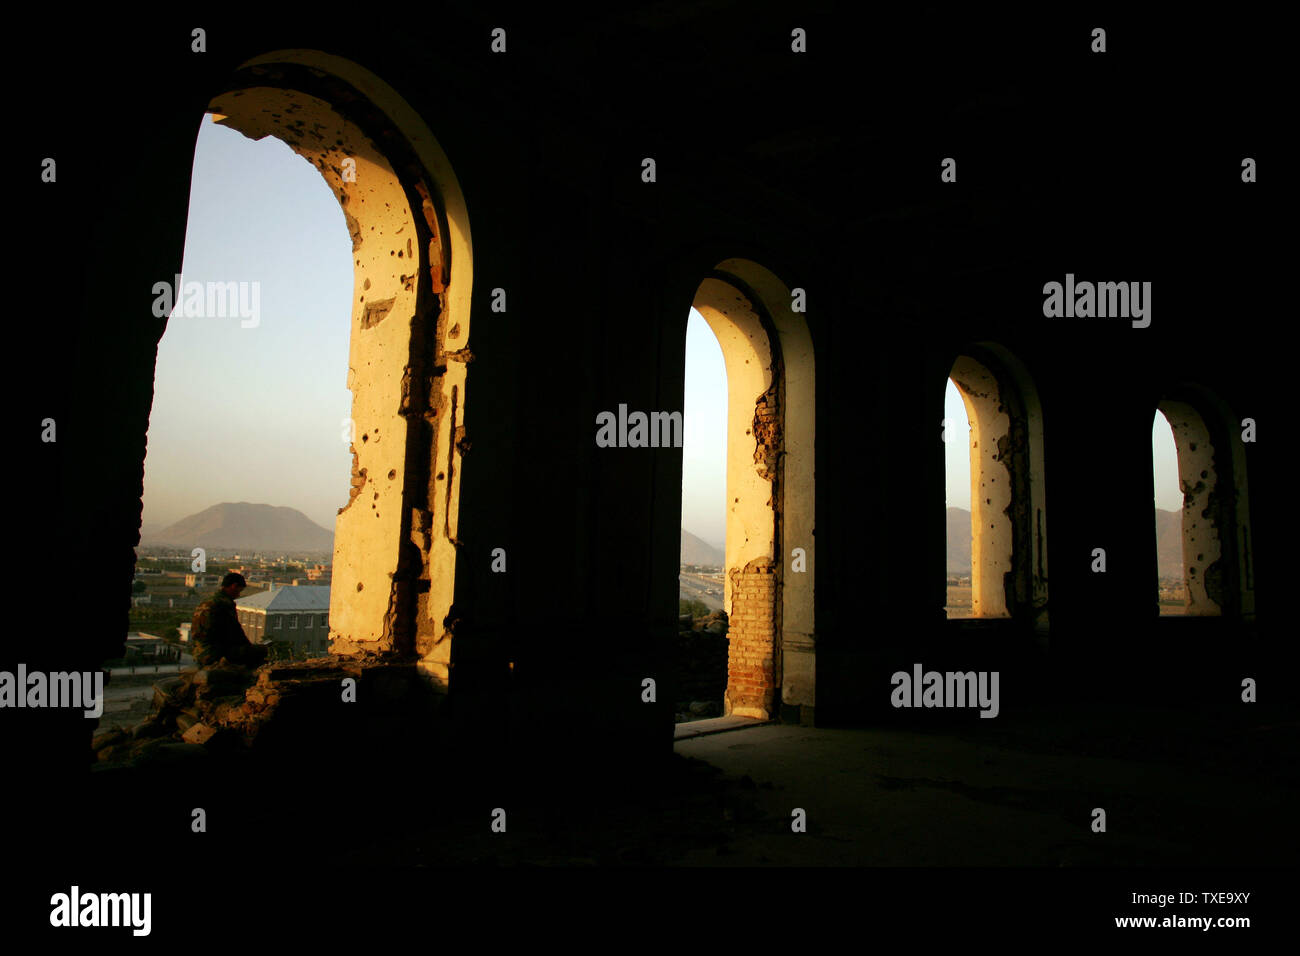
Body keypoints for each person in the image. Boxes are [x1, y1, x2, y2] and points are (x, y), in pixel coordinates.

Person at [190, 572, 268, 669]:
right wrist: (250, 648)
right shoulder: (224, 604)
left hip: (199, 652)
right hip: (214, 654)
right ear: (233, 586)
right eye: (239, 591)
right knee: (261, 651)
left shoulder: (207, 602)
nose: (238, 595)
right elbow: (235, 633)